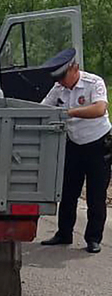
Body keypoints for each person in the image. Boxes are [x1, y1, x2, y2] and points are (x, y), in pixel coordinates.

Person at [40, 48, 111, 253]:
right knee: (68, 192)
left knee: (96, 194)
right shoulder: (58, 88)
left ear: (75, 68)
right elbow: (44, 108)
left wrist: (67, 113)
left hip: (98, 145)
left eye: (63, 76)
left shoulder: (93, 83)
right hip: (74, 145)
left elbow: (99, 109)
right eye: (58, 78)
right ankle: (64, 233)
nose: (61, 81)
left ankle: (93, 238)